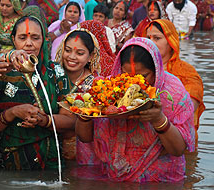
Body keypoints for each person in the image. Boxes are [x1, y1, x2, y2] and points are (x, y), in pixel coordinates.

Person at [75, 37, 195, 182]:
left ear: (156, 70)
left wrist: (158, 119)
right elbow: (85, 138)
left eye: (143, 76)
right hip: (111, 178)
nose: (134, 84)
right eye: (127, 74)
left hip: (159, 181)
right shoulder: (110, 90)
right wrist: (87, 111)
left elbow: (178, 150)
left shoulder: (173, 94)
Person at [0, 16, 75, 170]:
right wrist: (12, 113)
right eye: (22, 37)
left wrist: (45, 120)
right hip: (8, 164)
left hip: (50, 161)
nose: (29, 43)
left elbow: (71, 121)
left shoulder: (56, 72)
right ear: (13, 40)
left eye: (35, 38)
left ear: (43, 39)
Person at [144, 19, 204, 144]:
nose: (151, 42)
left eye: (157, 38)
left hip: (179, 143)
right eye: (148, 38)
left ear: (170, 42)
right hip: (145, 143)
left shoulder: (187, 73)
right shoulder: (141, 71)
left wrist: (157, 115)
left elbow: (188, 108)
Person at [55, 29, 101, 160]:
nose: (72, 57)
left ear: (91, 56)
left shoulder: (95, 85)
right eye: (68, 50)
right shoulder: (51, 75)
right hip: (49, 148)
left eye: (80, 53)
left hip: (81, 153)